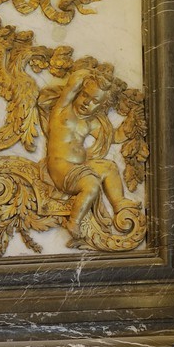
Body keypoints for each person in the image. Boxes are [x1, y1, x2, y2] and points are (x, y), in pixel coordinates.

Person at [44, 68, 140, 245]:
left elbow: (116, 137)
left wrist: (132, 120)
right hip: (61, 169)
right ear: (79, 93)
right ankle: (74, 221)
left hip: (77, 168)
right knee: (91, 184)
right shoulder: (62, 110)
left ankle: (119, 204)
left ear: (102, 107)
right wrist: (92, 73)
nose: (87, 103)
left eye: (95, 101)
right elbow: (72, 83)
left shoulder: (90, 122)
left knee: (109, 167)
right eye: (85, 95)